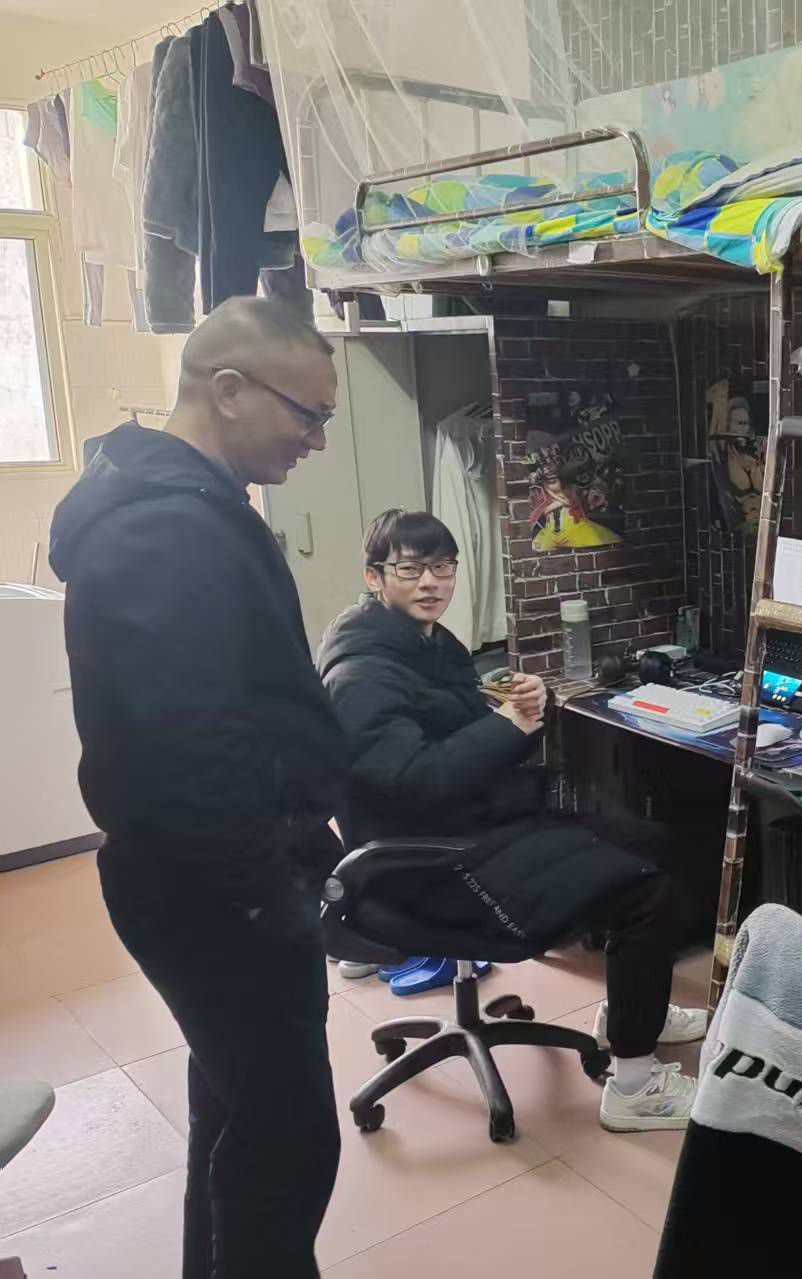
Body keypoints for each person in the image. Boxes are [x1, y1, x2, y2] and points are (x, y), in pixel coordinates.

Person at [49, 297, 348, 1279]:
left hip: (216, 884)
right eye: (307, 413)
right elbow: (184, 751)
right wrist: (266, 895)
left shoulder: (182, 507)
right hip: (219, 895)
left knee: (237, 1114)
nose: (315, 439)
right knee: (286, 1143)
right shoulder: (166, 531)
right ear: (226, 389)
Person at [318, 509, 708, 1131]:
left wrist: (516, 709)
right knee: (644, 891)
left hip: (470, 828)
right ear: (375, 577)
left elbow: (456, 737)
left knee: (654, 843)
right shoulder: (362, 673)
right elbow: (416, 783)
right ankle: (635, 1086)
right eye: (411, 569)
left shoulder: (427, 644)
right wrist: (505, 727)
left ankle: (638, 1012)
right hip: (430, 865)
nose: (430, 582)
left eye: (442, 566)